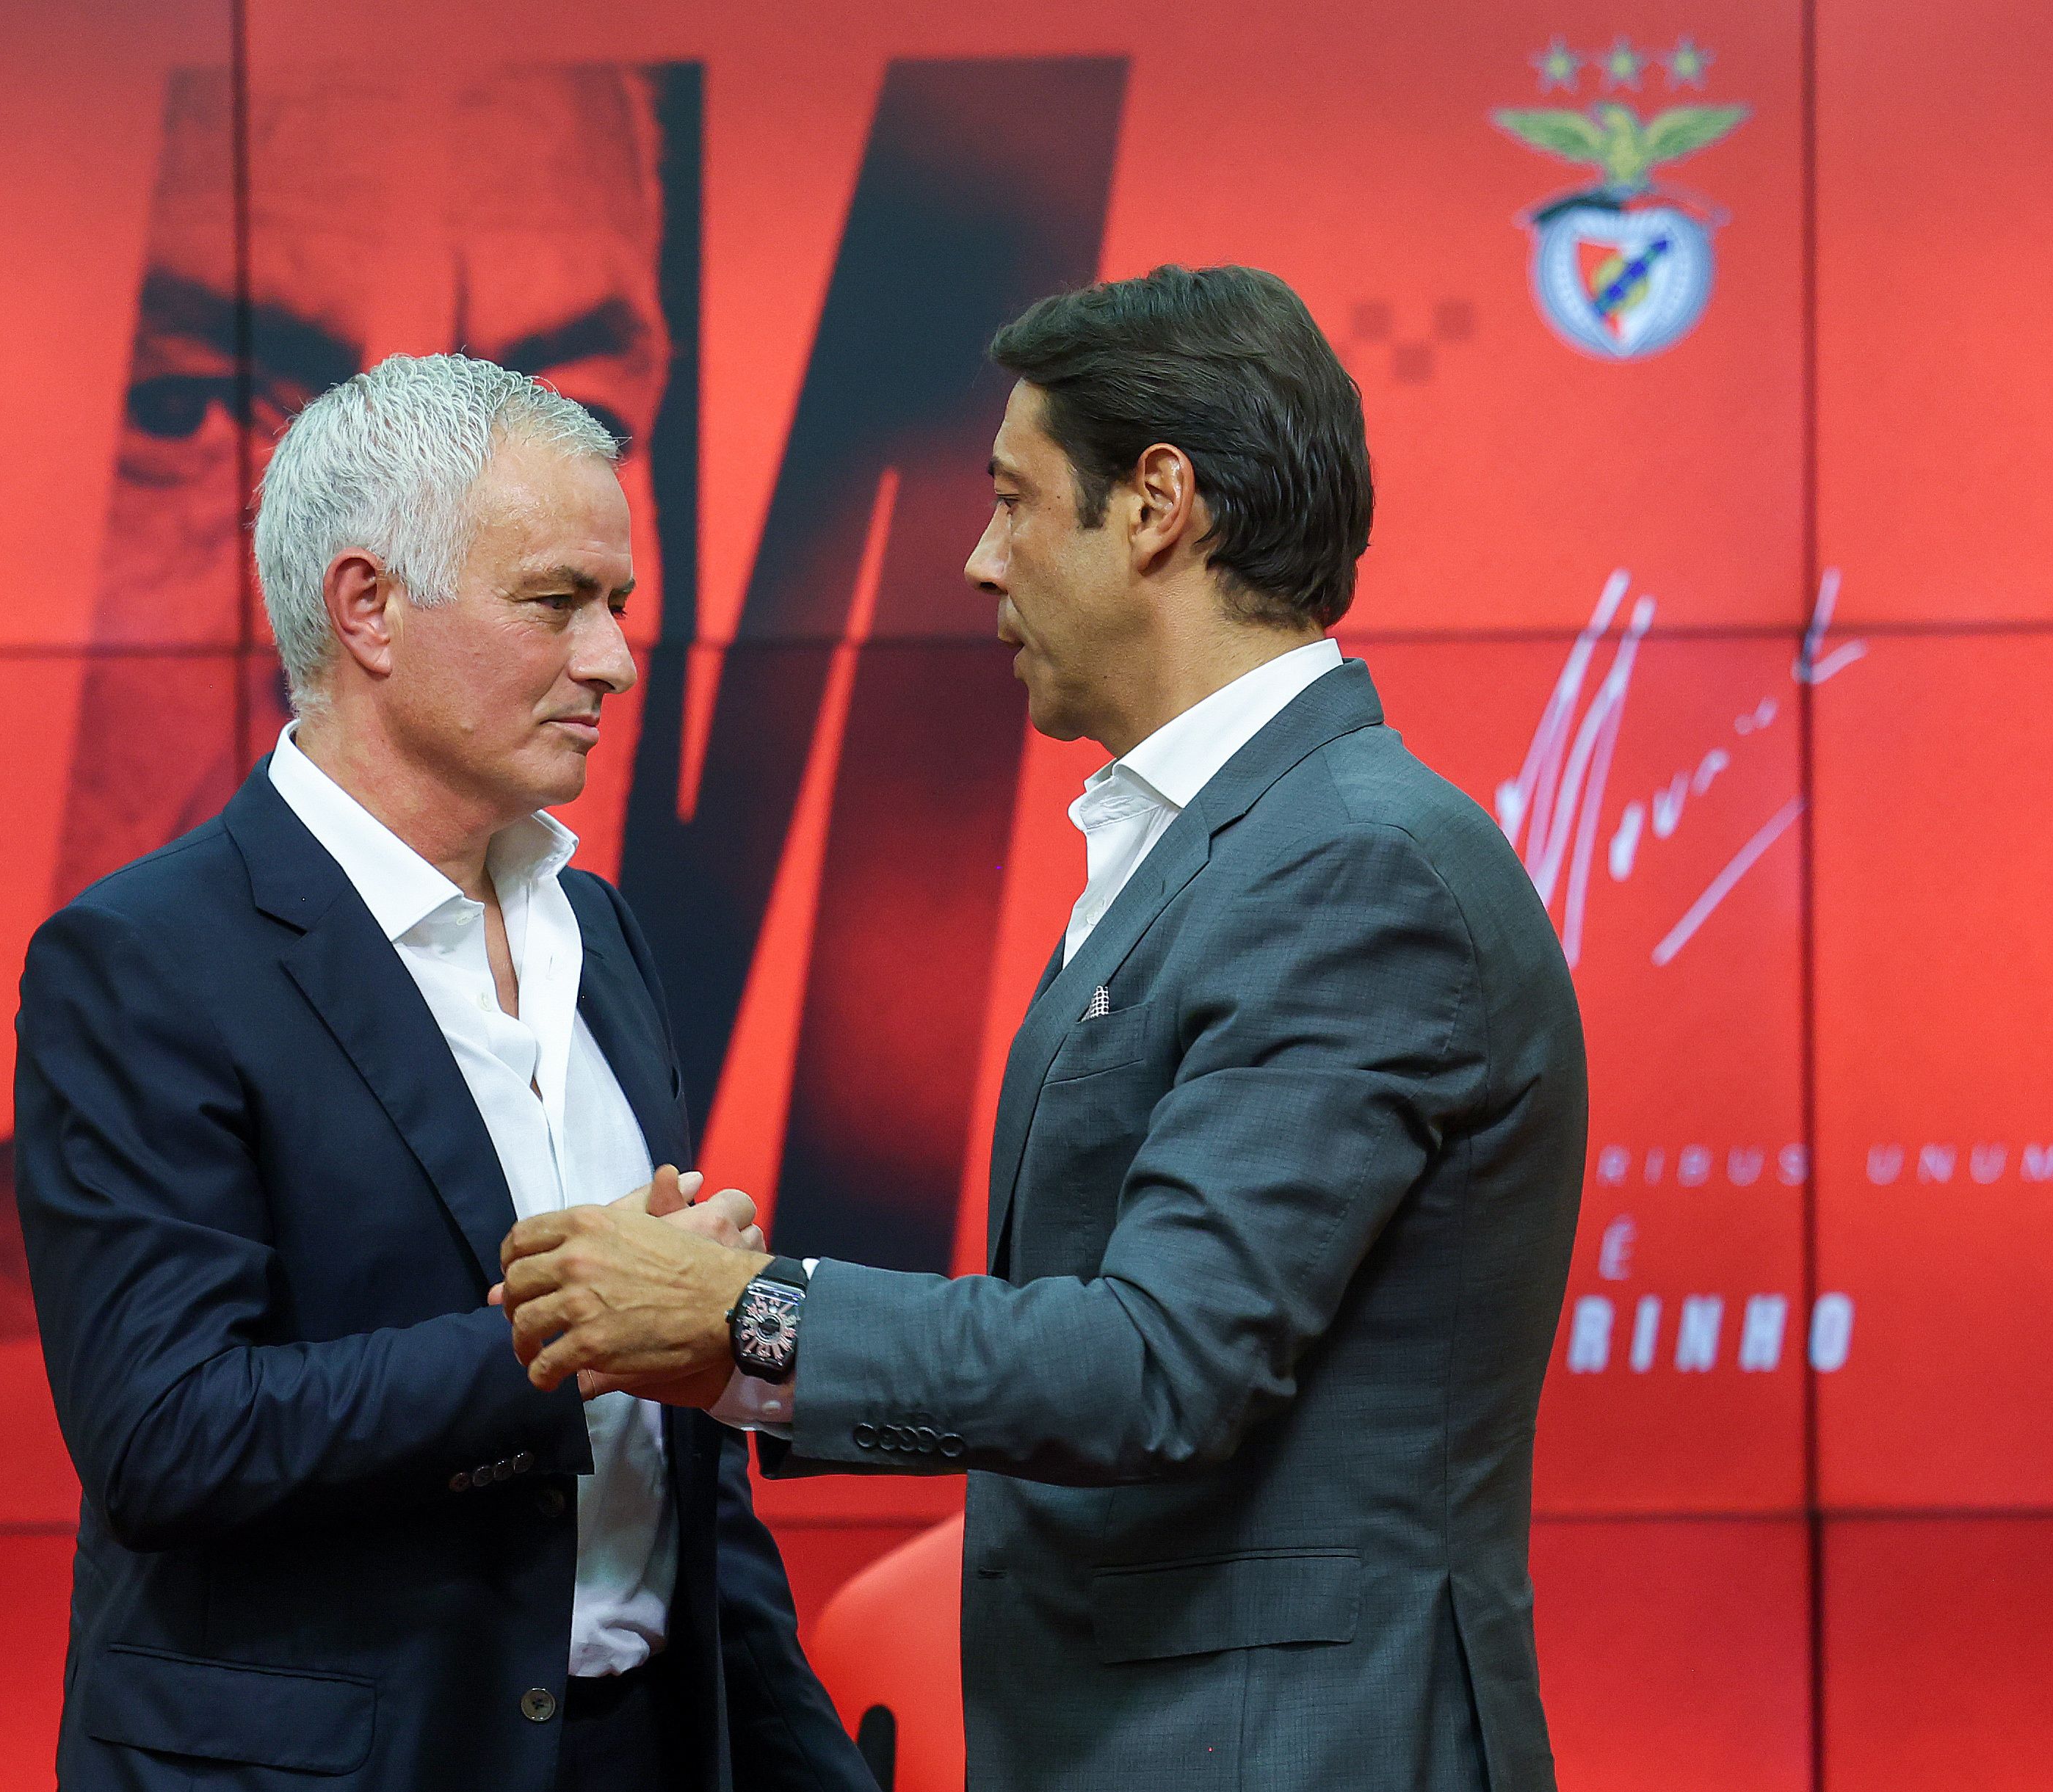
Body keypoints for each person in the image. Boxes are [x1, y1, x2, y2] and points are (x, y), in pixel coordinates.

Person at [499, 266, 1590, 1792]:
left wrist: (747, 1314)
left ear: (1155, 506)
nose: (975, 560)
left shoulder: (1351, 868)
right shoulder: (1232, 841)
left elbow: (1158, 1365)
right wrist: (722, 1348)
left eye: (1013, 501)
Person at [14, 354, 876, 1792]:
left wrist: (794, 1757)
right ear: (367, 608)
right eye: (558, 601)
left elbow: (677, 1466)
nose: (609, 657)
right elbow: (169, 1438)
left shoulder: (594, 928)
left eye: (619, 607)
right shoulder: (147, 958)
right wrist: (578, 1333)